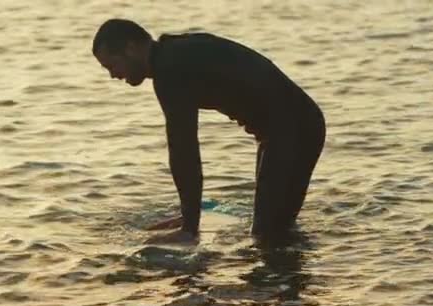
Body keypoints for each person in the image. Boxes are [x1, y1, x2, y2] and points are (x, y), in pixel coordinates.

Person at [92, 19, 326, 244]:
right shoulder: (172, 53)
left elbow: (184, 150)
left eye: (112, 65)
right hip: (288, 130)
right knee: (275, 230)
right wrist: (189, 217)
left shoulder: (170, 69)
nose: (113, 75)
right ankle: (290, 279)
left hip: (294, 130)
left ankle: (287, 280)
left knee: (267, 235)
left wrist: (189, 229)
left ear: (131, 48)